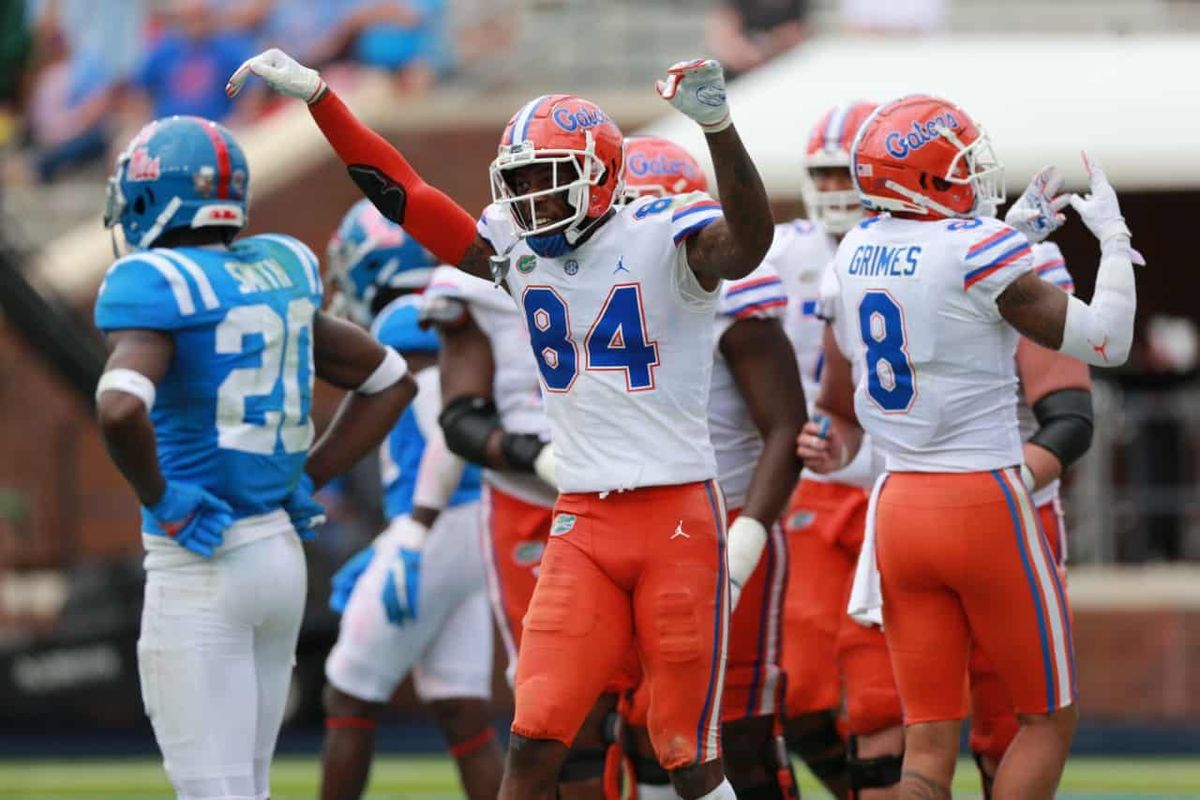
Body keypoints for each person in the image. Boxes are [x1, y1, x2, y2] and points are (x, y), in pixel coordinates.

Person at [228, 48, 776, 800]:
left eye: (548, 180)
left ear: (602, 177)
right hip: (582, 518)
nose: (531, 199)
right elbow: (405, 193)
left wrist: (717, 127)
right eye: (518, 182)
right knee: (533, 737)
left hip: (677, 517)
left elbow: (747, 246)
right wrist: (323, 97)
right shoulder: (513, 247)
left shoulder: (663, 233)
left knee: (684, 753)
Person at [798, 94, 1141, 798]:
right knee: (1045, 720)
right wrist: (1111, 242)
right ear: (919, 178)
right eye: (957, 161)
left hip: (896, 507)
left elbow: (936, 273)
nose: (974, 172)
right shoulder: (979, 249)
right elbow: (1107, 338)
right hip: (982, 497)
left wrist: (1011, 231)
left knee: (925, 749)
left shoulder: (855, 248)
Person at [93, 115, 414, 800]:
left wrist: (161, 497)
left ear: (152, 196)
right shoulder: (278, 268)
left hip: (201, 559)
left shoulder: (159, 281)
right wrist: (310, 477)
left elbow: (119, 406)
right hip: (278, 555)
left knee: (213, 790)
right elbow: (390, 378)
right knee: (251, 787)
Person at [620, 135, 806, 800]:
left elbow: (786, 424)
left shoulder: (725, 286)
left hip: (721, 519)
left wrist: (745, 540)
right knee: (644, 724)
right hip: (631, 523)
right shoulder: (587, 280)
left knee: (737, 730)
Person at [424, 267, 638, 800]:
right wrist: (533, 454)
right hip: (532, 503)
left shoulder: (649, 245)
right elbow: (460, 419)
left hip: (647, 492)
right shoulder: (486, 267)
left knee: (665, 704)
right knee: (559, 709)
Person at [319, 200, 501, 800]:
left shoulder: (407, 318)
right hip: (476, 522)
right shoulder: (464, 304)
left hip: (440, 519)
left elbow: (434, 427)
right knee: (462, 711)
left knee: (346, 691)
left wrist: (407, 535)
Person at [777, 101, 907, 800]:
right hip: (816, 481)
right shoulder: (782, 252)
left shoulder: (916, 248)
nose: (833, 191)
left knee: (885, 693)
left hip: (900, 480)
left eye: (844, 174)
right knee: (796, 689)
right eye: (822, 176)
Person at [966, 172, 1094, 798]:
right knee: (889, 720)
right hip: (920, 504)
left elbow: (1069, 419)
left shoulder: (864, 255)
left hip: (970, 504)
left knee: (995, 725)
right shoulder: (859, 253)